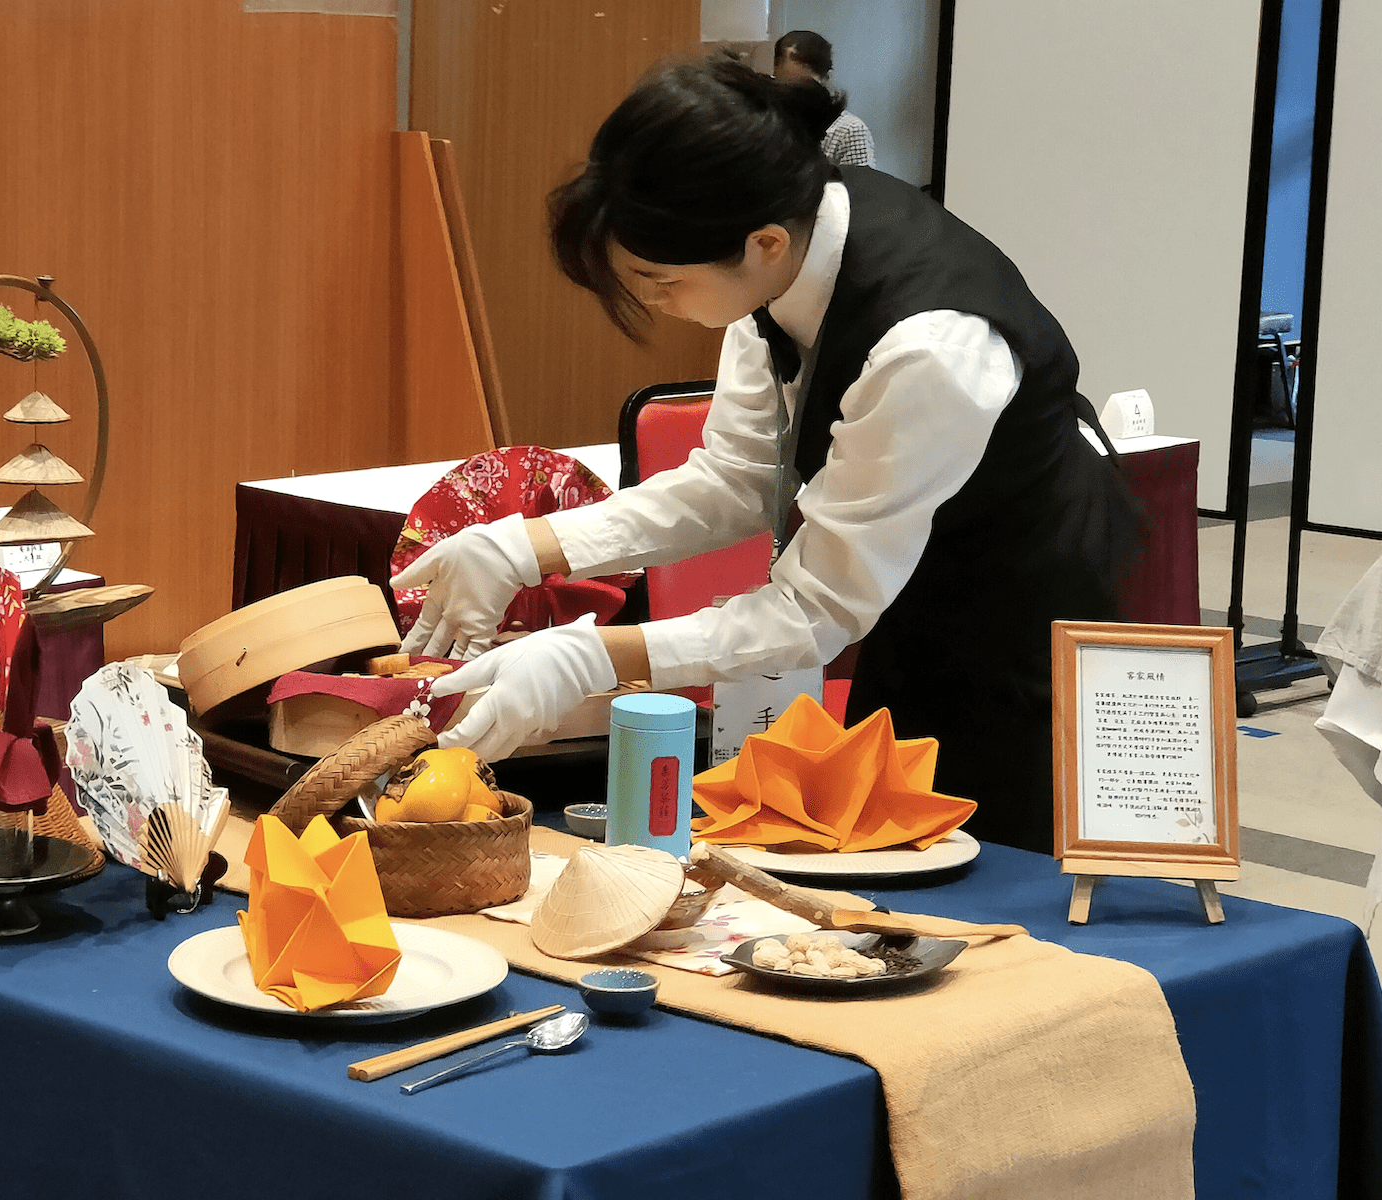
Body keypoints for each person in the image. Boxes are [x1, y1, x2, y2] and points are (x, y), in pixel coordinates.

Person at [390, 56, 1144, 854]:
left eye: (658, 279)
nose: (651, 300)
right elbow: (738, 480)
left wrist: (589, 657)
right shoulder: (780, 251)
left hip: (1024, 598)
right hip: (913, 583)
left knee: (996, 850)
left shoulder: (928, 348)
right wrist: (524, 545)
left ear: (764, 244)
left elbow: (813, 612)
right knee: (899, 823)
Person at [774, 30, 874, 169]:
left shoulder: (850, 132)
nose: (793, 98)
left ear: (827, 78)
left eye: (804, 90)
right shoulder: (765, 121)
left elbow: (859, 188)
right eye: (785, 87)